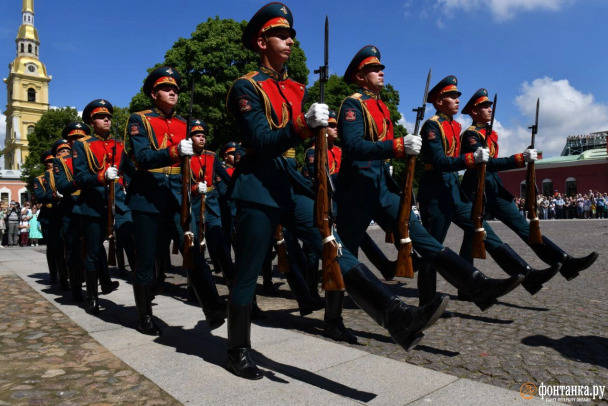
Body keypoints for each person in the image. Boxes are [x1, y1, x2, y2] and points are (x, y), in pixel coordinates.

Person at [225, 3, 448, 380]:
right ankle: (237, 347)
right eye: (282, 34)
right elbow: (262, 141)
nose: (291, 40)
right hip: (257, 185)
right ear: (262, 41)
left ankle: (396, 315)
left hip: (291, 184)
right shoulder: (246, 87)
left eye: (292, 34)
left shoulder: (294, 88)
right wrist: (302, 124)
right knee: (247, 271)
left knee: (334, 247)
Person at [335, 48, 523, 314]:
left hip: (382, 187)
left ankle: (477, 285)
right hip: (356, 188)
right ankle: (333, 319)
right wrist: (398, 145)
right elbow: (353, 146)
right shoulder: (352, 104)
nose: (381, 72)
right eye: (374, 69)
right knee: (345, 251)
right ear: (360, 76)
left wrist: (400, 150)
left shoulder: (381, 106)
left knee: (423, 239)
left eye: (381, 68)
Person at [417, 77, 553, 304]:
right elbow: (440, 161)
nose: (457, 100)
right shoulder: (432, 126)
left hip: (454, 192)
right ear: (439, 102)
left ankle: (527, 275)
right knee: (433, 249)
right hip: (436, 194)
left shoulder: (454, 125)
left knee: (483, 231)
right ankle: (427, 301)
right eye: (452, 96)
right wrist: (471, 158)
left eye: (458, 96)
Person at [125, 66, 225, 335]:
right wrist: (172, 151)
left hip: (177, 197)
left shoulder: (185, 124)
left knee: (191, 249)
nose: (173, 93)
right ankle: (144, 315)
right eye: (167, 89)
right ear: (153, 93)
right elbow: (142, 158)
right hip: (148, 196)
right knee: (146, 259)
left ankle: (213, 306)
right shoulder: (139, 120)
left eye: (176, 90)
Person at [459, 88, 591, 291]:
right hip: (477, 189)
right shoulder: (470, 135)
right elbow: (487, 163)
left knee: (526, 228)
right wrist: (519, 159)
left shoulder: (489, 134)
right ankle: (470, 286)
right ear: (474, 112)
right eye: (484, 107)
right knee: (476, 236)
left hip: (495, 188)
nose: (489, 110)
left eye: (489, 106)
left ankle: (565, 262)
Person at [72, 99, 125, 315]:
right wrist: (101, 176)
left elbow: (129, 170)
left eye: (109, 117)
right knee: (93, 253)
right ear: (92, 121)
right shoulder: (82, 145)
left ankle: (147, 291)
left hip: (118, 204)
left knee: (133, 242)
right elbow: (80, 177)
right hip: (93, 206)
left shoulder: (119, 144)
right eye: (101, 117)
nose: (107, 120)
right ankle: (92, 297)